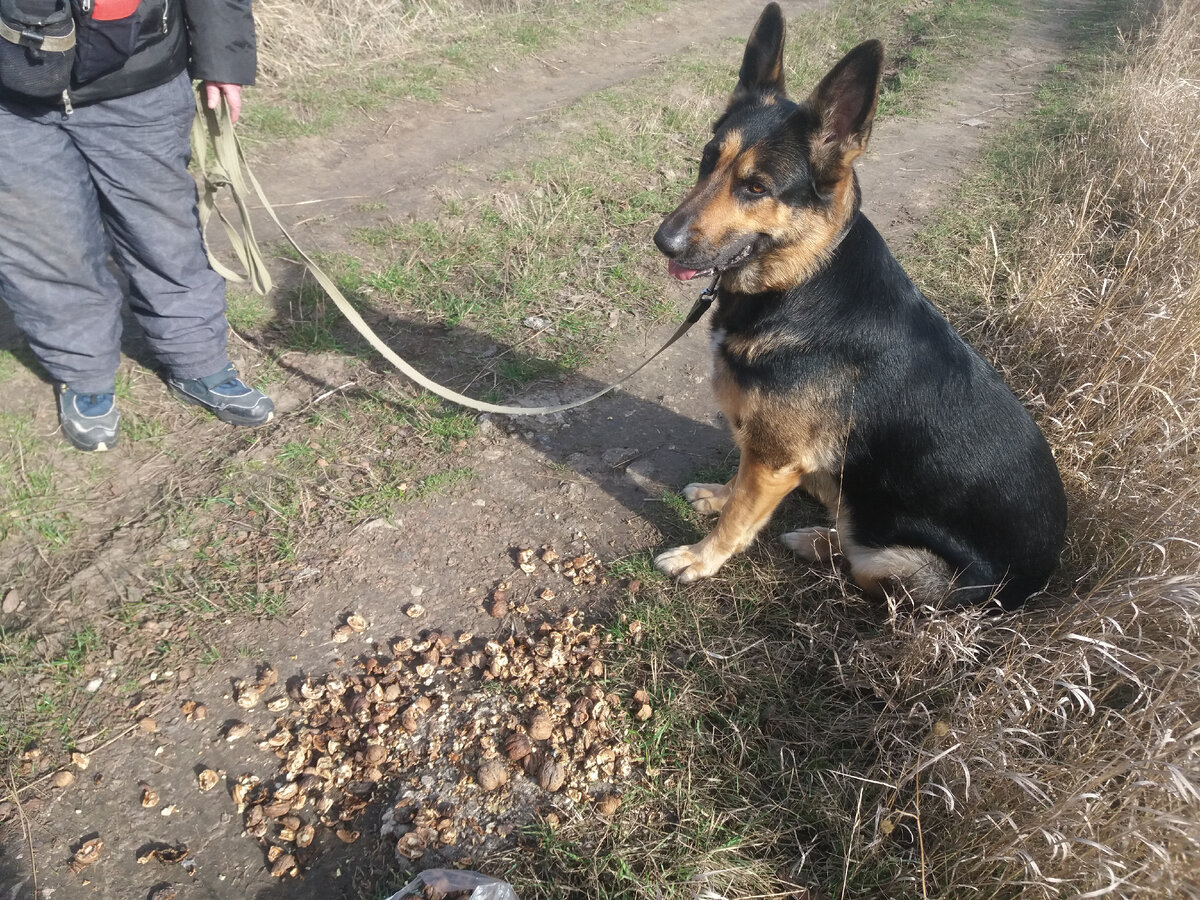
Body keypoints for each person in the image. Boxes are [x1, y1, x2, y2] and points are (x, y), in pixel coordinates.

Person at [0, 0, 273, 452]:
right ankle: (83, 371)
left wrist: (223, 59)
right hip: (10, 99)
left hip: (139, 76)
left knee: (165, 235)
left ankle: (198, 361)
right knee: (44, 245)